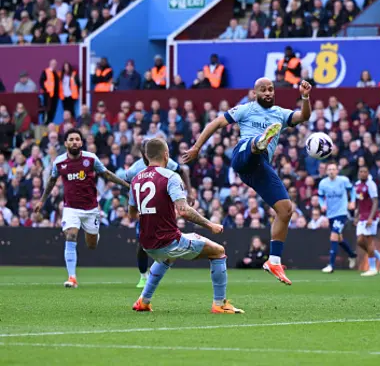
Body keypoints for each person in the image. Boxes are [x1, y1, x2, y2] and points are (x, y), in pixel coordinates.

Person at [183, 78, 312, 285]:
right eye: (263, 90)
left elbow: (304, 116)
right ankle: (257, 142)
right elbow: (216, 123)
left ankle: (274, 261)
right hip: (242, 157)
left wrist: (305, 97)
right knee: (253, 146)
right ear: (255, 93)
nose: (268, 93)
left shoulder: (280, 113)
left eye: (271, 89)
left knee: (286, 209)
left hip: (259, 169)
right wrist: (197, 147)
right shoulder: (245, 110)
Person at [129, 138, 243, 314]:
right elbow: (184, 210)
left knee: (167, 257)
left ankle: (143, 301)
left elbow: (132, 214)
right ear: (166, 155)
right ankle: (219, 304)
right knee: (218, 251)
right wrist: (210, 224)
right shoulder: (170, 176)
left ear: (146, 156)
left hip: (147, 244)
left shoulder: (136, 179)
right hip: (169, 241)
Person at [34, 128, 130, 288]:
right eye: (71, 139)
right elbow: (52, 181)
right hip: (71, 208)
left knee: (91, 244)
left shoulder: (91, 159)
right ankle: (72, 277)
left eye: (77, 139)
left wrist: (127, 185)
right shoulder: (59, 162)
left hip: (91, 209)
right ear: (65, 143)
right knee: (71, 236)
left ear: (81, 142)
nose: (74, 142)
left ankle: (94, 234)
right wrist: (42, 200)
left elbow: (106, 174)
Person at [123, 140, 192, 288]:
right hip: (145, 212)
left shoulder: (166, 163)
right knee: (142, 243)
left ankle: (157, 271)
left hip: (161, 209)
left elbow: (181, 171)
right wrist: (133, 199)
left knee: (166, 239)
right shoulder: (135, 169)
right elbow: (127, 183)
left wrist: (190, 192)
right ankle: (143, 276)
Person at [318, 162, 358, 273]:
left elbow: (352, 190)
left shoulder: (343, 180)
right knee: (339, 239)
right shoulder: (323, 183)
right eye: (329, 169)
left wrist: (352, 201)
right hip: (330, 214)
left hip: (341, 213)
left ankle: (331, 265)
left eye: (333, 169)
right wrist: (322, 205)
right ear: (326, 171)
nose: (331, 171)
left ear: (337, 171)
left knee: (334, 236)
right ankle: (352, 254)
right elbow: (320, 197)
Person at [354, 165, 380, 276]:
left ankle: (373, 268)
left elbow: (375, 201)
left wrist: (370, 217)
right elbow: (359, 201)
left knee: (368, 241)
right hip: (362, 216)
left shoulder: (371, 184)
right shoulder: (357, 185)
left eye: (365, 171)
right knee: (360, 241)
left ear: (368, 173)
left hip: (371, 216)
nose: (363, 173)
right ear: (358, 173)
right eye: (361, 171)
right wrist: (356, 215)